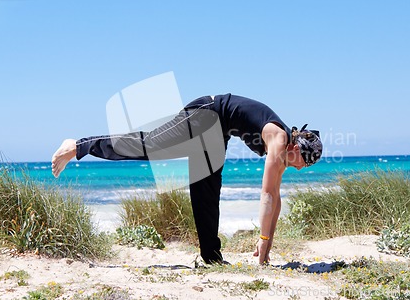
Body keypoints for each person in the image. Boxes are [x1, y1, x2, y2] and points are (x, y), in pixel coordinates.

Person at [51, 93, 322, 265]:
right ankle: (78, 145)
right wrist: (264, 238)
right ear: (298, 149)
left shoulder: (284, 149)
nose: (301, 169)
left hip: (217, 131)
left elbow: (276, 200)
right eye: (305, 163)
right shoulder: (279, 140)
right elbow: (267, 195)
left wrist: (267, 244)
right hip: (206, 114)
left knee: (208, 189)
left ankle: (211, 257)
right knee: (151, 145)